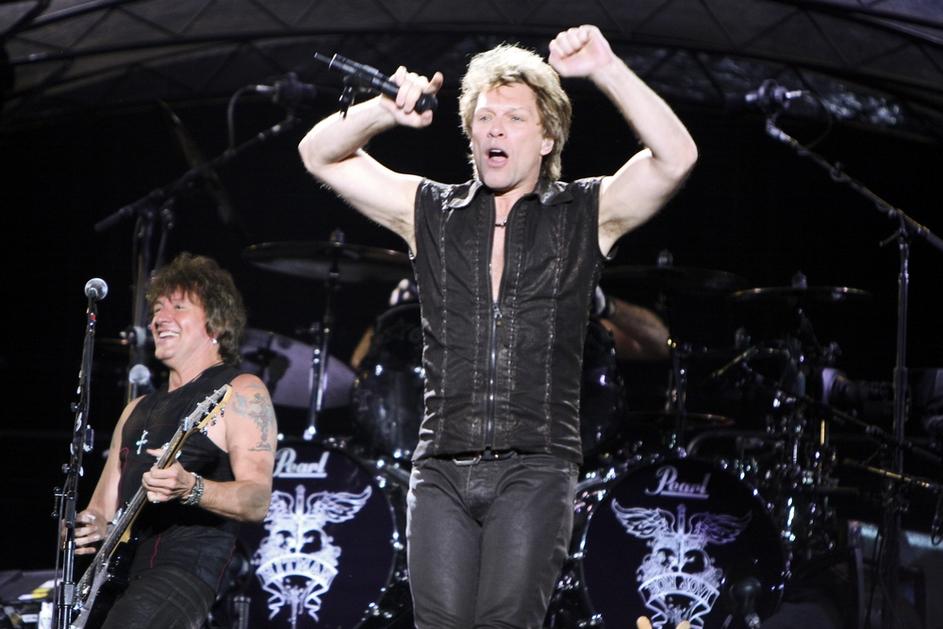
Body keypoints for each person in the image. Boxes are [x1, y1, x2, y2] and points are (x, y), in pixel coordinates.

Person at [299, 24, 696, 629]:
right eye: (484, 118)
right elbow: (318, 154)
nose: (495, 131)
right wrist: (383, 109)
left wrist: (607, 68)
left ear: (547, 137)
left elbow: (676, 158)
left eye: (513, 119)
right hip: (439, 467)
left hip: (536, 466)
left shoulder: (586, 213)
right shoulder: (429, 210)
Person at [73, 253, 278, 628]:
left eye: (178, 307)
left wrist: (192, 487)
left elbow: (257, 500)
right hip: (115, 577)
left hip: (183, 569)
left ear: (216, 323)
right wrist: (88, 525)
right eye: (157, 310)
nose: (158, 319)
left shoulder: (241, 391)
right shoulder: (135, 409)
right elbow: (101, 508)